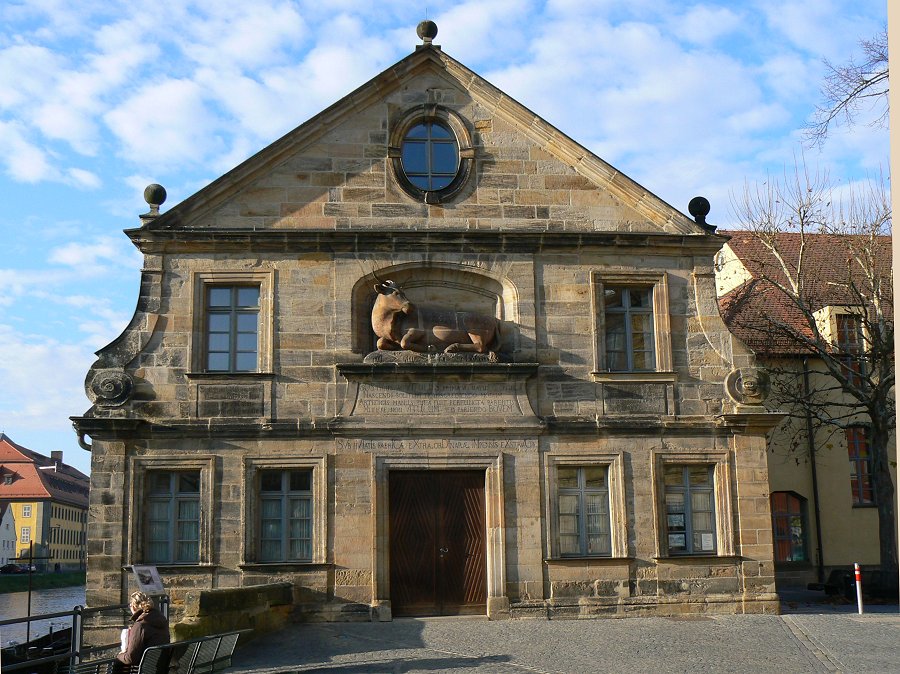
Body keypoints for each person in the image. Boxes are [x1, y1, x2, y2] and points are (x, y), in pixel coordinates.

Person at [113, 591, 170, 672]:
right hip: (158, 668)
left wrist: (119, 655)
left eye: (130, 605)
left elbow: (131, 658)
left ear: (133, 606)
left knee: (119, 664)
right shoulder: (162, 620)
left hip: (143, 669)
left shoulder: (140, 625)